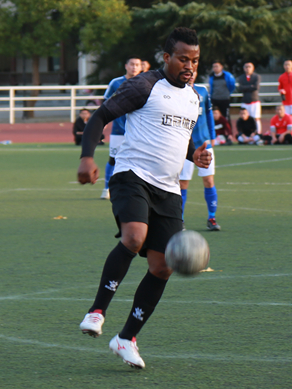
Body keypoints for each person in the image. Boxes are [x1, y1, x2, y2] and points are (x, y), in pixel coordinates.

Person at [76, 27, 211, 369]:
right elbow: (101, 116)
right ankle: (96, 311)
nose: (189, 65)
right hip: (131, 176)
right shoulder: (145, 85)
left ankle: (126, 338)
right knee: (134, 237)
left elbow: (180, 137)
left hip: (167, 189)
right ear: (166, 57)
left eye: (194, 60)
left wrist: (195, 155)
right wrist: (87, 157)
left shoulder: (193, 97)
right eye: (183, 58)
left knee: (163, 266)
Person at [179, 70, 220, 231]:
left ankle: (212, 217)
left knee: (209, 180)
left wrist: (212, 135)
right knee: (183, 184)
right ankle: (179, 220)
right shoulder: (176, 92)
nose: (191, 74)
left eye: (194, 71)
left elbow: (209, 113)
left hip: (204, 144)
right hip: (184, 145)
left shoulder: (203, 90)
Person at [100, 57, 142, 199]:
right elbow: (106, 104)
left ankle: (135, 189)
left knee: (138, 160)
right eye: (132, 64)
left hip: (139, 131)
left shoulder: (144, 83)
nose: (134, 67)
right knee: (113, 159)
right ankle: (107, 188)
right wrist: (102, 123)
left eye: (137, 65)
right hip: (119, 130)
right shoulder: (116, 83)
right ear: (126, 66)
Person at [236, 62, 262, 133]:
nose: (248, 68)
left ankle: (258, 134)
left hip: (254, 101)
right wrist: (250, 86)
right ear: (244, 68)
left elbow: (256, 87)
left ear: (253, 68)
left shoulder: (256, 76)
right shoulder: (241, 77)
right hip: (245, 101)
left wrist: (246, 87)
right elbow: (240, 88)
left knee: (256, 118)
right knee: (244, 118)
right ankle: (246, 134)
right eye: (246, 67)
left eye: (249, 67)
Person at [208, 61, 236, 125]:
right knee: (214, 116)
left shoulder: (227, 75)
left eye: (217, 66)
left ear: (221, 67)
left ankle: (228, 132)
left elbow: (232, 86)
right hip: (214, 99)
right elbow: (211, 87)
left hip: (224, 99)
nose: (215, 68)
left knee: (226, 116)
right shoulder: (212, 76)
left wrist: (227, 93)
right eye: (214, 67)